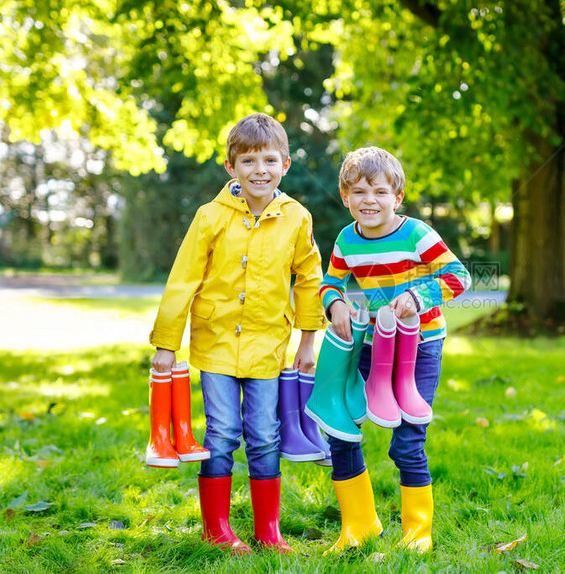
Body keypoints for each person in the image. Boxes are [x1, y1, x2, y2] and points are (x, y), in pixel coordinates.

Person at [148, 113, 325, 555]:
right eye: (248, 161)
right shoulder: (210, 217)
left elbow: (308, 277)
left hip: (269, 346)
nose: (259, 170)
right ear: (231, 167)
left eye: (269, 160)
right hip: (216, 344)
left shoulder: (296, 218)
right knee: (223, 433)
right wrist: (166, 345)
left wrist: (308, 338)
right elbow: (182, 278)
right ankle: (217, 530)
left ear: (285, 164)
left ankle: (269, 530)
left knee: (265, 434)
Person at [317, 146, 471, 552]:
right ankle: (358, 526)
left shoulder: (416, 233)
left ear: (397, 197)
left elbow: (459, 277)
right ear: (345, 196)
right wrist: (334, 303)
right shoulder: (347, 239)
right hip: (371, 345)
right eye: (360, 192)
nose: (370, 201)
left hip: (419, 348)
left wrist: (419, 298)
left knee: (407, 440)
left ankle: (417, 534)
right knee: (341, 429)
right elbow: (330, 282)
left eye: (380, 192)